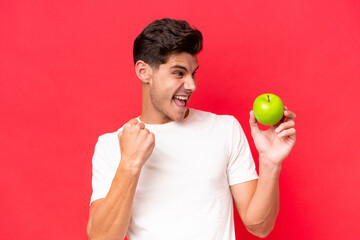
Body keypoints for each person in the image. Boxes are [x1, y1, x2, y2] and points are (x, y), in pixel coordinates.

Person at [86, 18, 296, 240]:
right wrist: (130, 164)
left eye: (193, 73)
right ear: (143, 72)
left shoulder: (225, 129)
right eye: (179, 73)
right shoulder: (111, 146)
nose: (192, 85)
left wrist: (270, 163)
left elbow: (259, 226)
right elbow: (101, 237)